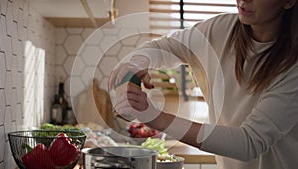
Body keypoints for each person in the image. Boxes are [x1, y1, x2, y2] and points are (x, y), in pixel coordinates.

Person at [109, 0, 298, 168]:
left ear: (289, 2)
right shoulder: (221, 29)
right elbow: (163, 47)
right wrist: (137, 63)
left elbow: (248, 143)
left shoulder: (293, 66)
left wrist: (157, 118)